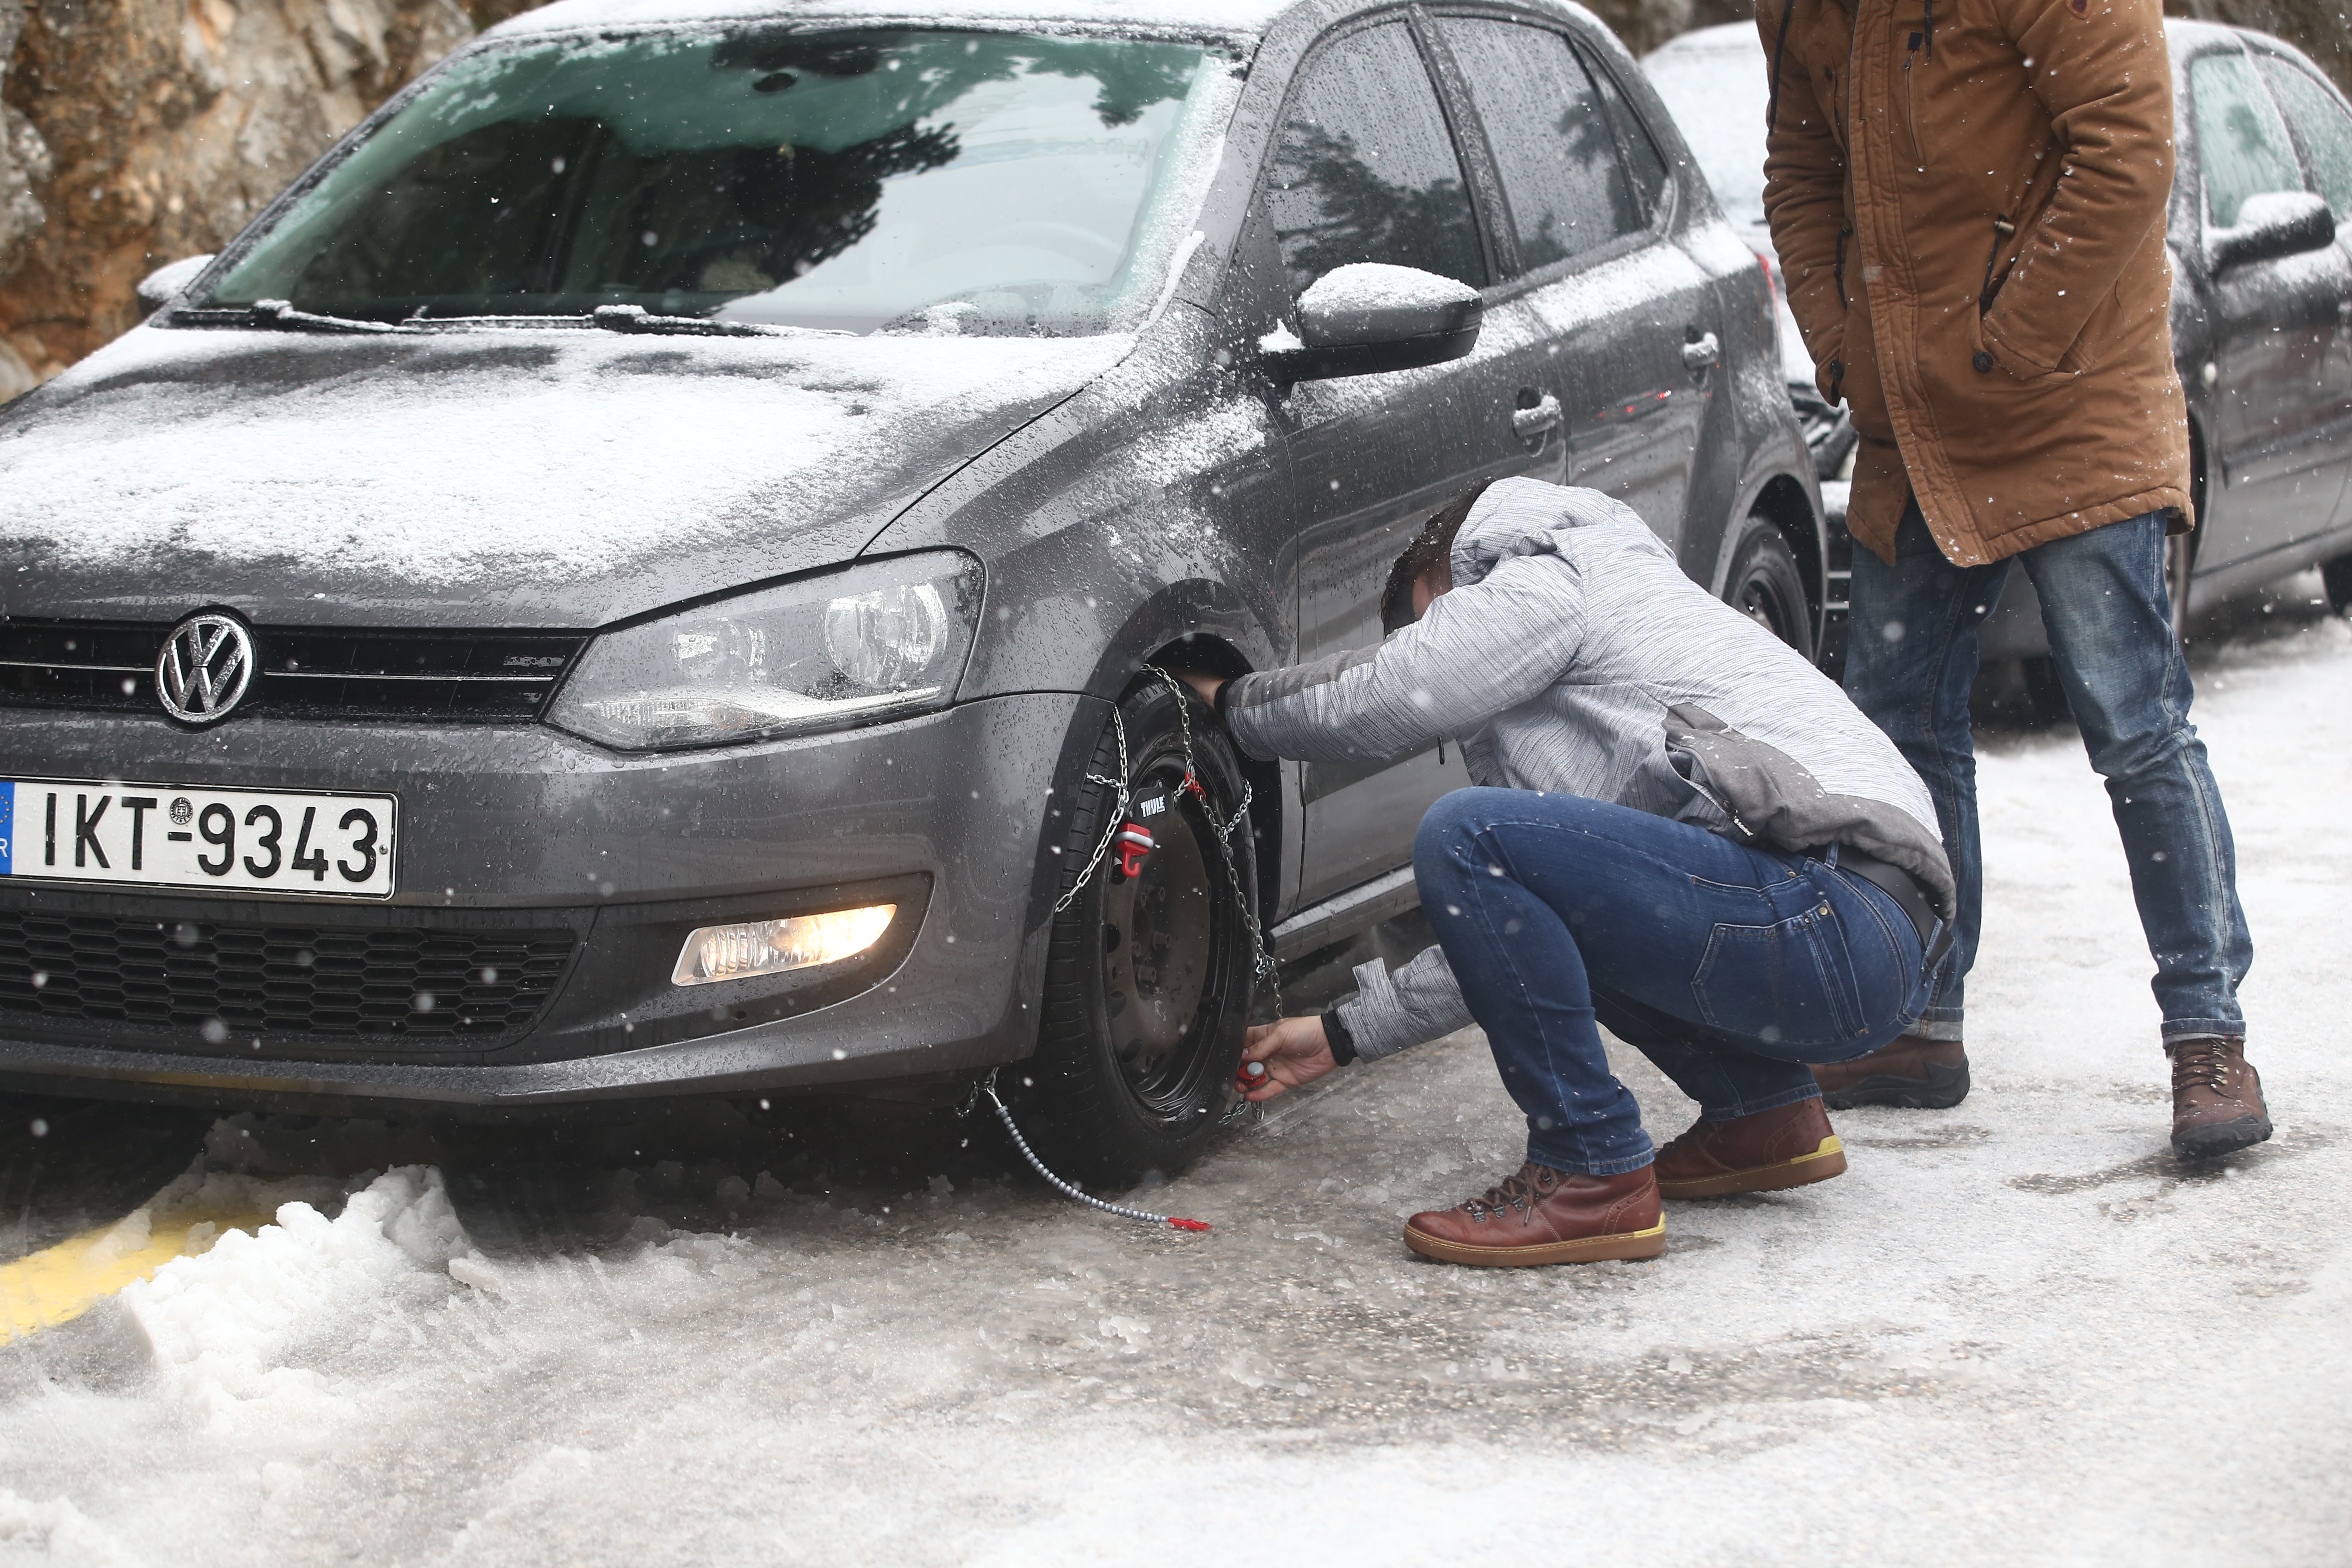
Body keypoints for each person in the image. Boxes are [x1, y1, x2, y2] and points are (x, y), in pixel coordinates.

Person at [1176, 477, 1953, 1267]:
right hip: (1877, 939)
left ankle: (1591, 1169)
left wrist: (1235, 706)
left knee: (1464, 832)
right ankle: (1764, 1114)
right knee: (1533, 878)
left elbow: (1395, 694)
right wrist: (1342, 1034)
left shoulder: (1548, 573)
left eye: (1433, 622)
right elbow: (1514, 934)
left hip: (1825, 910)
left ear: (1447, 577)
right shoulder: (1626, 604)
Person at [1755, 0, 2268, 1158]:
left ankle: (2208, 1034)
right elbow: (1799, 170)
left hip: (2073, 397)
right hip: (1915, 424)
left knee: (2136, 724)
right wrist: (1842, 342)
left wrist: (2010, 338)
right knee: (1897, 732)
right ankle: (1918, 1020)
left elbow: (2127, 149)